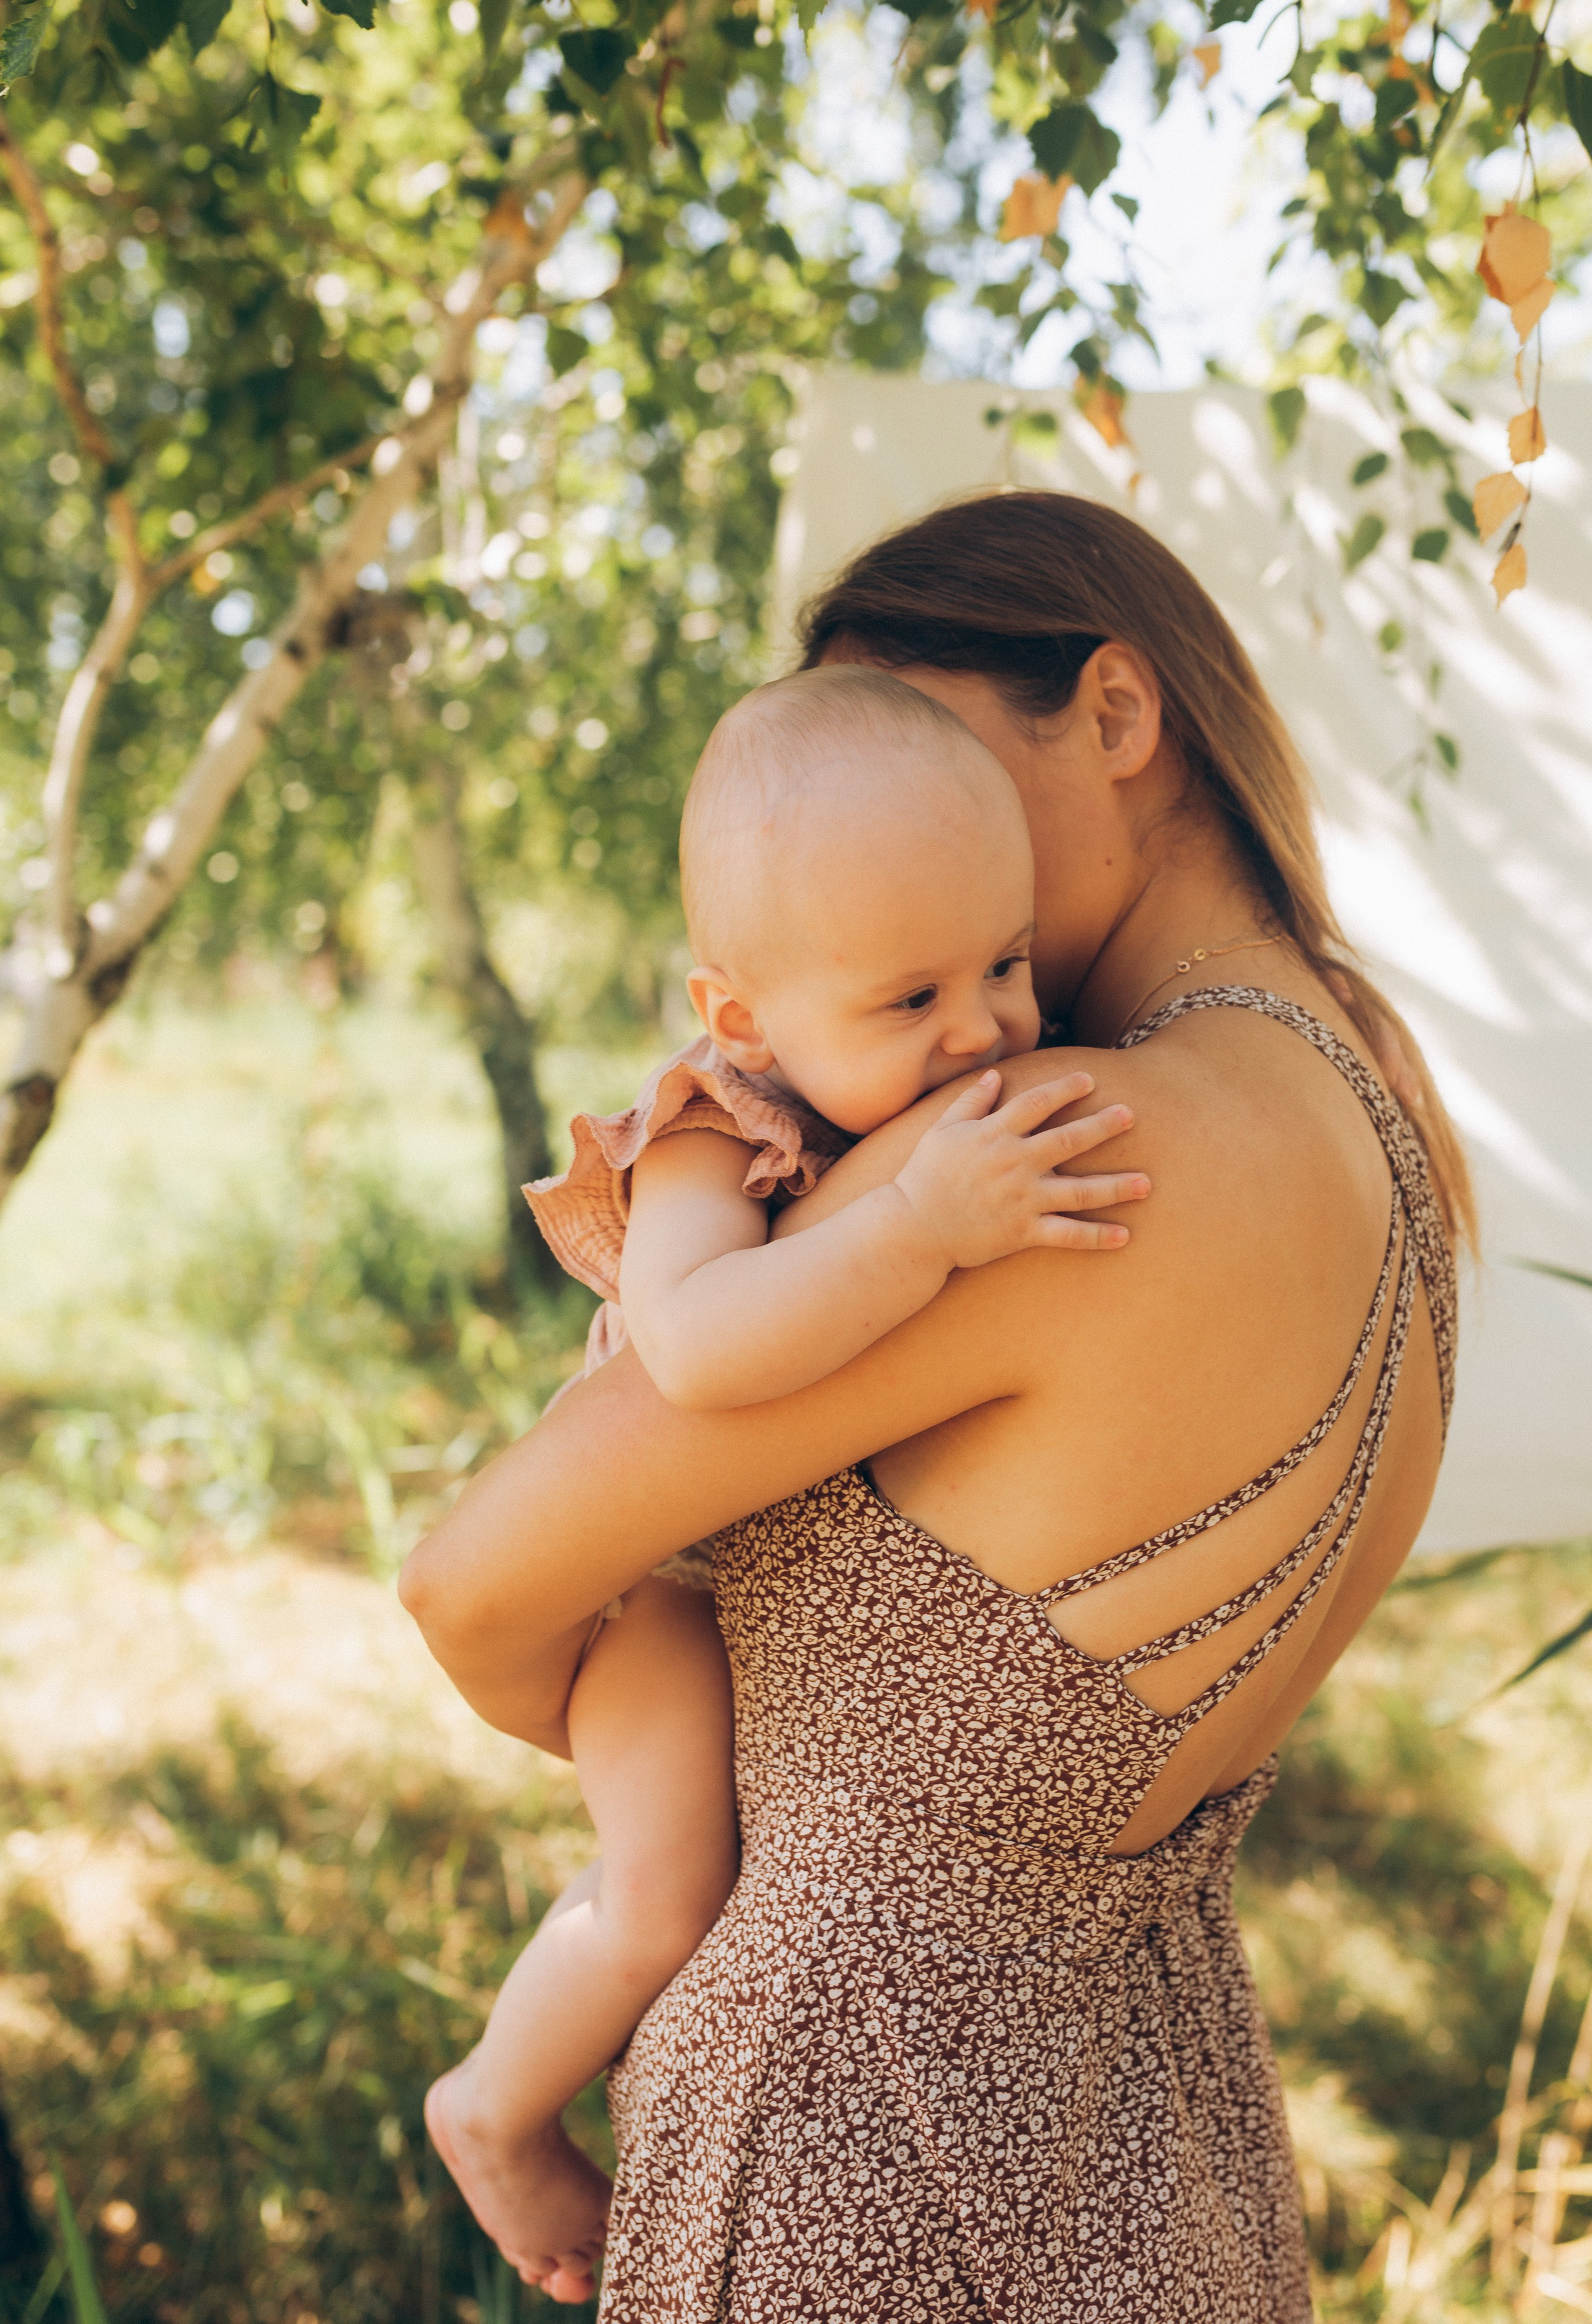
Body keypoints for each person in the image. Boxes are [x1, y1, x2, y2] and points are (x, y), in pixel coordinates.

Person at [400, 487, 1470, 2321]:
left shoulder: (1053, 1148)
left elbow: (471, 1585)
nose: (902, 832)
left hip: (843, 2130)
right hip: (1149, 2136)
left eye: (931, 747)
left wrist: (676, 1763)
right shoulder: (1384, 1126)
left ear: (1119, 717)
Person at [423, 669, 1149, 2292]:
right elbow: (690, 1346)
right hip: (653, 1591)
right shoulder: (714, 1124)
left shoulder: (915, 1064)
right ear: (741, 1015)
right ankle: (492, 2107)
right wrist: (915, 1227)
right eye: (911, 1001)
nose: (980, 1029)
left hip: (781, 1600)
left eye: (1006, 964)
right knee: (670, 1891)